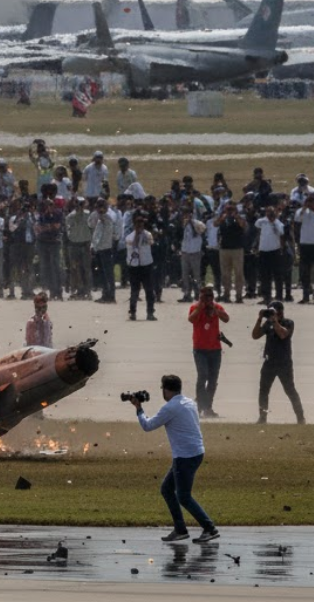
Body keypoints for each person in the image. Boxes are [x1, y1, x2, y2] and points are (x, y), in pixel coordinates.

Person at [130, 374, 220, 544]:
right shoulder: (189, 402)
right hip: (195, 452)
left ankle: (209, 528)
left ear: (166, 389)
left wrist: (138, 408)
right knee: (166, 489)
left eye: (162, 388)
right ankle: (180, 530)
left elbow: (147, 426)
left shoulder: (170, 408)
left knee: (184, 497)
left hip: (185, 456)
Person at [251, 301, 305, 425]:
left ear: (281, 312)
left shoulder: (288, 323)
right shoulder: (268, 323)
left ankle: (300, 417)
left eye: (275, 312)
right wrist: (259, 319)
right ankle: (262, 417)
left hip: (284, 363)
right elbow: (255, 335)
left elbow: (283, 335)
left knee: (290, 390)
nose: (272, 314)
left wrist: (275, 321)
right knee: (263, 390)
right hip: (269, 362)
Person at [188, 285, 228, 417]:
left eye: (211, 296)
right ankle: (200, 407)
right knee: (202, 376)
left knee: (212, 379)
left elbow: (226, 319)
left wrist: (216, 310)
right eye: (205, 296)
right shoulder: (195, 307)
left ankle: (207, 407)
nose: (208, 299)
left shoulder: (216, 307)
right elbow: (191, 319)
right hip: (200, 349)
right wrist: (200, 307)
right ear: (200, 297)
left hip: (215, 349)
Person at [125, 213, 157, 321]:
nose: (139, 226)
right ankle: (133, 312)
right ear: (134, 225)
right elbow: (133, 246)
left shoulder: (148, 234)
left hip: (146, 265)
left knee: (149, 290)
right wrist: (137, 236)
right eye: (137, 224)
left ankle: (150, 312)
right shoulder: (129, 236)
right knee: (134, 291)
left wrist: (143, 235)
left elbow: (151, 242)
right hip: (134, 266)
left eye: (141, 224)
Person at [177, 205, 206, 303]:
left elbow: (202, 231)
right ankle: (187, 294)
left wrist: (192, 223)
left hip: (195, 252)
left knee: (196, 274)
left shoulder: (198, 223)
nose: (185, 216)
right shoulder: (182, 224)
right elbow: (179, 235)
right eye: (184, 214)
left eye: (187, 213)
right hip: (185, 251)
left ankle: (198, 293)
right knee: (185, 274)